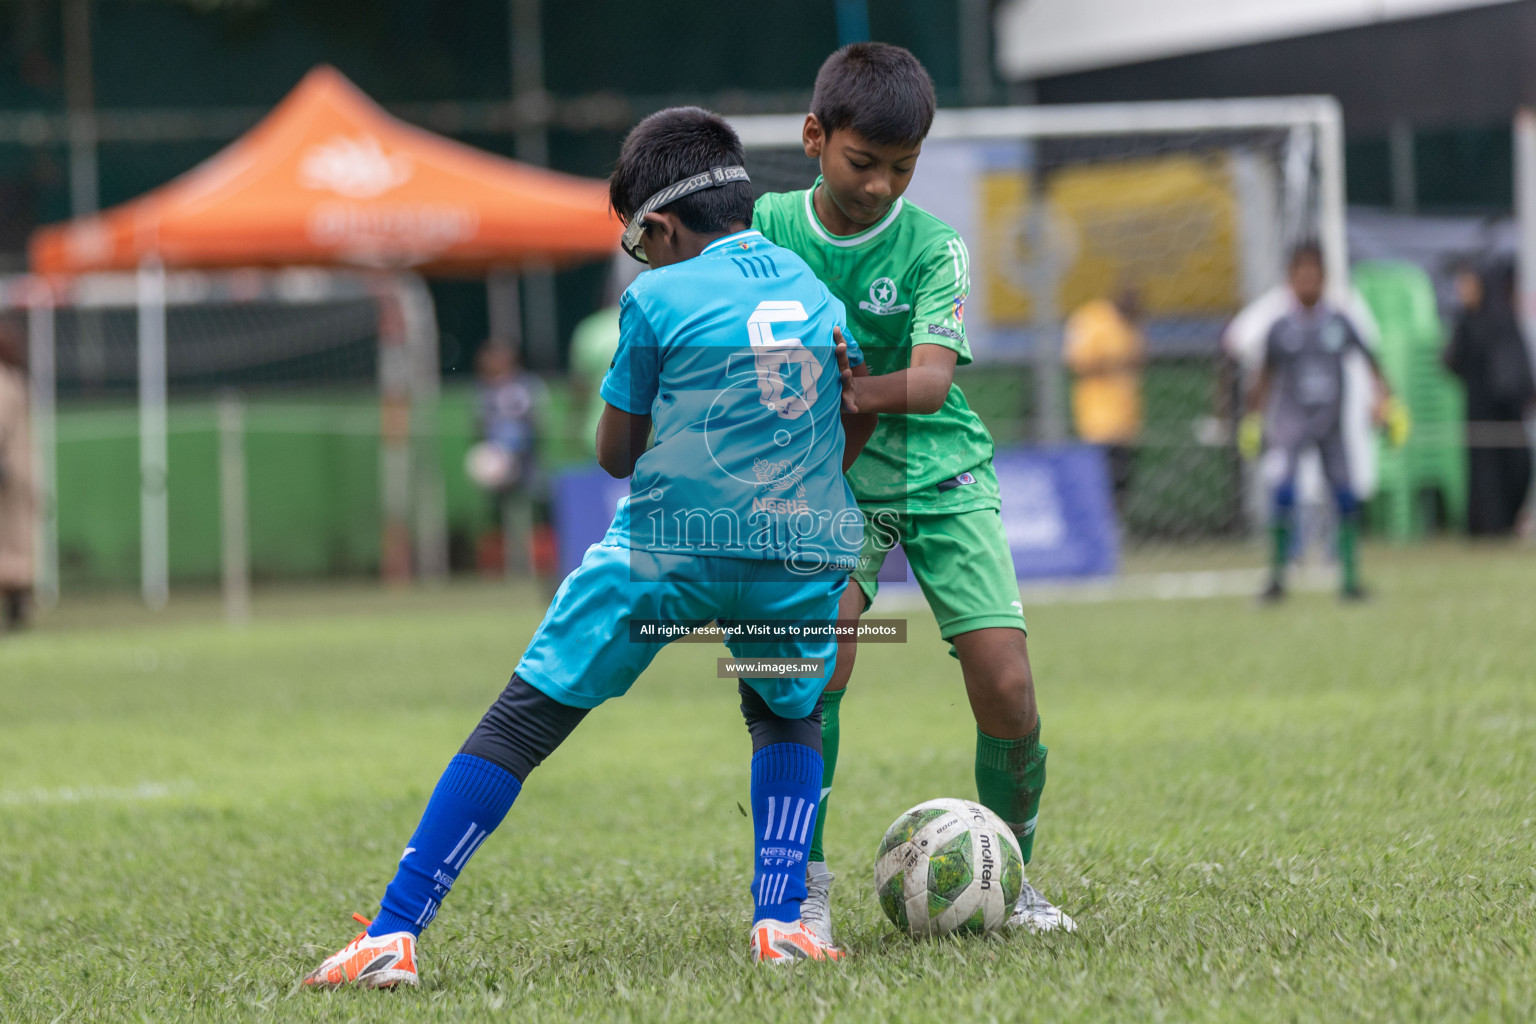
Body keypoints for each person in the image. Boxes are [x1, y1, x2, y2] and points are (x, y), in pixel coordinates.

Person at [303, 106, 873, 988]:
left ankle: (394, 932)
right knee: (784, 712)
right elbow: (851, 416)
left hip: (668, 551)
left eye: (643, 244)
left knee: (523, 719)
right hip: (796, 549)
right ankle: (780, 922)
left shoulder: (652, 297)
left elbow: (614, 457)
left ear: (661, 227)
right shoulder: (812, 289)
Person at [751, 42, 1074, 942]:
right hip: (827, 480)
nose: (884, 185)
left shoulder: (934, 246)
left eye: (904, 167)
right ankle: (800, 885)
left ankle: (1017, 876)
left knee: (1006, 685)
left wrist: (831, 384)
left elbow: (928, 385)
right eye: (865, 163)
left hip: (941, 468)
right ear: (815, 137)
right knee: (812, 670)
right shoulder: (766, 227)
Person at [1245, 243, 1395, 602]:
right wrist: (1253, 419)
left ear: (1324, 279)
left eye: (1314, 275)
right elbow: (1263, 377)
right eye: (1301, 276)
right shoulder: (1280, 328)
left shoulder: (1339, 322)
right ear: (1290, 280)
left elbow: (1371, 362)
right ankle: (1278, 578)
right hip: (1290, 423)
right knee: (1283, 492)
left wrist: (1384, 401)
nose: (1308, 282)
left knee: (1345, 495)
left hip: (1331, 424)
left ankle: (1350, 581)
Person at [1443, 262, 1535, 536]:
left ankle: (1508, 521)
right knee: (1483, 472)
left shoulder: (1501, 318)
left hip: (1506, 411)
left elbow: (1516, 365)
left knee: (1517, 465)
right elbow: (1451, 362)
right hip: (1478, 409)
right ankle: (1486, 526)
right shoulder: (1465, 322)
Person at [1064, 287, 1147, 504]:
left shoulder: (1129, 326)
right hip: (1097, 419)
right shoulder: (1093, 319)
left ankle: (1116, 523)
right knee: (1101, 475)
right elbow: (1078, 361)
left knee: (1123, 478)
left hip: (1126, 419)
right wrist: (1113, 361)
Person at [0, 325, 32, 631]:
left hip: (7, 472)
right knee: (18, 541)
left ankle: (17, 605)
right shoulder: (14, 379)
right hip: (22, 470)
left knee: (8, 541)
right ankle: (20, 602)